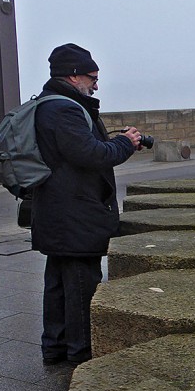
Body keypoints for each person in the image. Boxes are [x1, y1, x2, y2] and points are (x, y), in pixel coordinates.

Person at [31, 43, 142, 367]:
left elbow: (77, 150)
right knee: (80, 287)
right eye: (92, 77)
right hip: (75, 213)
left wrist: (110, 142)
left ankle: (55, 348)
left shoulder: (49, 104)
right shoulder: (65, 109)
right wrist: (125, 143)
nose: (96, 83)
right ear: (74, 75)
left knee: (58, 284)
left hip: (59, 210)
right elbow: (90, 156)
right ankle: (81, 355)